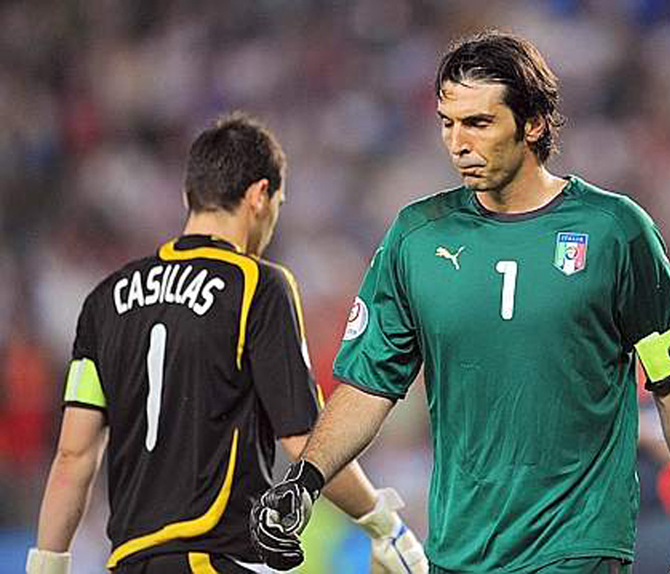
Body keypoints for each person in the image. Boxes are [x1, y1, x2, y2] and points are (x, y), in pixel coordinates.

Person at [251, 32, 670, 574]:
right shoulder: (417, 237)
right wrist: (305, 479)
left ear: (532, 123)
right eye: (447, 122)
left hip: (575, 546)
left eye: (479, 123)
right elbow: (369, 386)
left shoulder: (614, 231)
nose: (458, 143)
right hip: (460, 550)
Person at [27, 113, 428, 574]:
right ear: (261, 196)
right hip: (216, 556)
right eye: (278, 203)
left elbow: (73, 455)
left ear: (188, 196)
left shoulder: (103, 301)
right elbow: (304, 440)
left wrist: (47, 564)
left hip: (127, 563)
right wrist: (382, 522)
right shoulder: (257, 284)